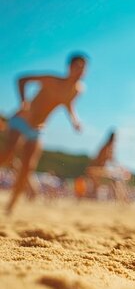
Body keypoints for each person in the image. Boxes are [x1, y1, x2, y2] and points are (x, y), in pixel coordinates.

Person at [0, 53, 87, 214]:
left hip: (38, 128)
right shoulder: (51, 79)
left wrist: (75, 120)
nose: (81, 71)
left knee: (28, 167)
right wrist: (23, 102)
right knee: (6, 156)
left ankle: (10, 207)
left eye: (84, 68)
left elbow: (68, 103)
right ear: (69, 67)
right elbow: (21, 79)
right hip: (21, 120)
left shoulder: (78, 89)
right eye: (78, 67)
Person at [85, 130, 130, 203]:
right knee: (117, 178)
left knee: (116, 178)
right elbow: (110, 160)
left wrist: (120, 167)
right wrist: (121, 168)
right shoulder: (108, 147)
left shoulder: (106, 146)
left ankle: (122, 199)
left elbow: (109, 160)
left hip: (97, 168)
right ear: (114, 139)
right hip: (97, 169)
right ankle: (122, 199)